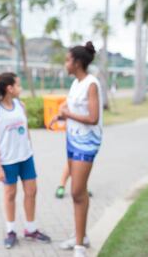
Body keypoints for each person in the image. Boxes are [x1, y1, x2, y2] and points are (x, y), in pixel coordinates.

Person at [0, 72, 51, 249]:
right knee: (10, 194)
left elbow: (26, 131)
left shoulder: (21, 105)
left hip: (26, 158)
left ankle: (30, 229)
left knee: (32, 191)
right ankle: (11, 230)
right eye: (19, 85)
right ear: (9, 88)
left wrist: (30, 149)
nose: (21, 88)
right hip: (8, 161)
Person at [49, 41, 102, 257]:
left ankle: (80, 245)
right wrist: (61, 115)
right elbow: (73, 110)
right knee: (79, 192)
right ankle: (82, 236)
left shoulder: (91, 84)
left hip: (87, 143)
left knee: (77, 192)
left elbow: (93, 117)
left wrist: (67, 114)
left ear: (77, 63)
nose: (65, 63)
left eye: (68, 59)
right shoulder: (76, 84)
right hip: (72, 140)